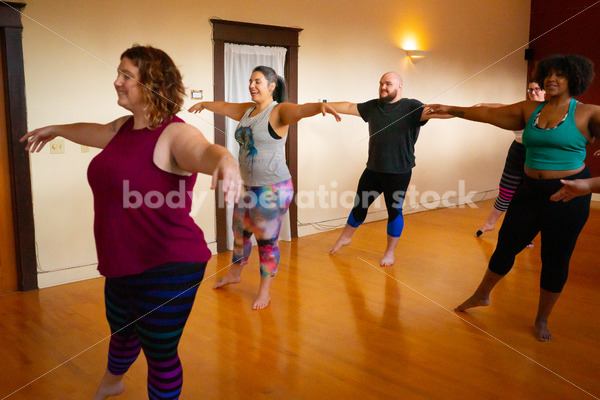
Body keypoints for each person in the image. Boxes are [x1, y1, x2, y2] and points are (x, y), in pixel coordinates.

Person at [21, 45, 241, 400]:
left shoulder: (174, 133)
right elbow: (92, 131)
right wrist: (57, 129)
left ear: (153, 85)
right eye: (118, 73)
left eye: (126, 76)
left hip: (169, 262)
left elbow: (202, 151)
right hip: (123, 259)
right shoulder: (124, 128)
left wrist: (227, 161)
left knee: (160, 353)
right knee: (123, 330)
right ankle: (112, 383)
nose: (117, 82)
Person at [426, 54, 600, 341]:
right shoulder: (529, 110)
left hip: (569, 193)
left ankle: (542, 319)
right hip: (530, 191)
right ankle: (482, 295)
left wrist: (589, 186)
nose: (551, 79)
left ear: (575, 79)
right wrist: (449, 108)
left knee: (555, 259)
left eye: (560, 75)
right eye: (548, 74)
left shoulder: (588, 113)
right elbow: (487, 114)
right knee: (506, 246)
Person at [189, 66, 341, 310]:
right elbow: (226, 106)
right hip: (246, 186)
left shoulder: (279, 111)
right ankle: (234, 273)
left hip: (273, 189)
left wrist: (318, 107)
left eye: (257, 81)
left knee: (266, 241)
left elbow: (300, 110)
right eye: (250, 81)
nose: (252, 85)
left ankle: (264, 291)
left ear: (272, 86)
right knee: (239, 232)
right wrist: (205, 103)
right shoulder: (247, 110)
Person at [328, 71, 441, 266]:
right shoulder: (373, 106)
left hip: (399, 173)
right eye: (381, 83)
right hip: (373, 169)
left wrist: (465, 112)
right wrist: (326, 105)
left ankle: (390, 252)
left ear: (399, 86)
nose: (383, 87)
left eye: (388, 84)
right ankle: (346, 237)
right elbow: (347, 107)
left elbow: (439, 112)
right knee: (359, 205)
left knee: (394, 210)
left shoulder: (412, 106)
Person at [476, 81, 546, 240]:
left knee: (530, 195)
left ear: (544, 91)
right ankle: (489, 223)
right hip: (517, 152)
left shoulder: (551, 112)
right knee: (506, 191)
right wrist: (479, 105)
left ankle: (526, 234)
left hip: (536, 154)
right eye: (530, 90)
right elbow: (496, 106)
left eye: (537, 89)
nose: (533, 93)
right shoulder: (519, 109)